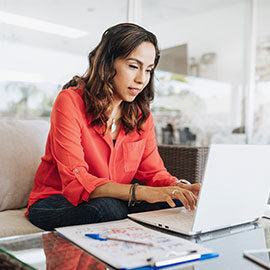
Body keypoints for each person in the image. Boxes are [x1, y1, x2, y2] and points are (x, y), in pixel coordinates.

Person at [26, 23, 200, 231]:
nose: (141, 79)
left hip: (114, 199)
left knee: (178, 202)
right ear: (108, 63)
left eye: (148, 70)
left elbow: (154, 173)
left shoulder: (141, 116)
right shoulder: (70, 101)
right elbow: (76, 181)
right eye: (133, 66)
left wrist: (180, 188)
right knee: (109, 209)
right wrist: (142, 193)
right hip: (56, 201)